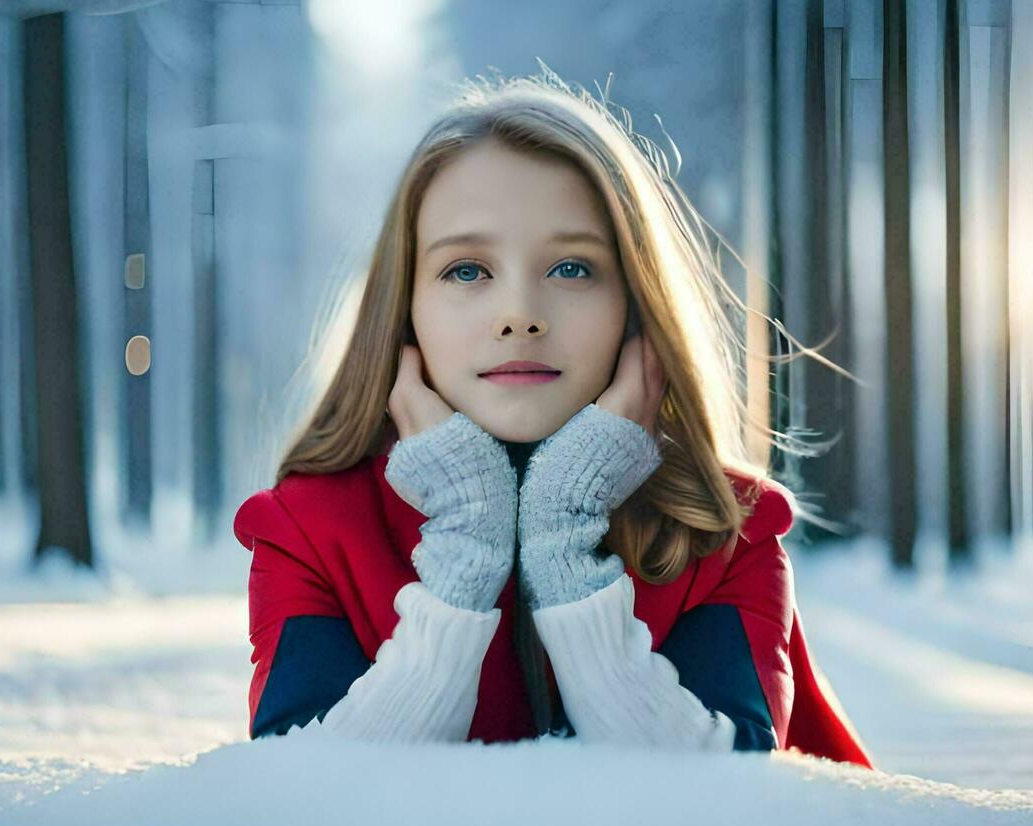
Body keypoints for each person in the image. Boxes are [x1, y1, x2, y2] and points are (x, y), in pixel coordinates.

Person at [233, 65, 873, 765]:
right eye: (467, 271)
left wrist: (565, 540)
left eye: (572, 269)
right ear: (403, 309)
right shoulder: (305, 531)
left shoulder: (728, 530)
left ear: (636, 305)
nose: (519, 317)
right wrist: (464, 551)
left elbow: (725, 793)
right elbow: (307, 793)